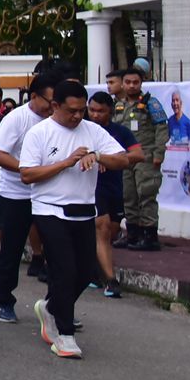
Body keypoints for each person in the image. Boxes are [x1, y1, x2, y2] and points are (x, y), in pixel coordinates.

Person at [18, 81, 128, 358]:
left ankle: (52, 306)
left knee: (87, 271)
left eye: (82, 110)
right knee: (64, 269)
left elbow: (124, 159)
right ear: (55, 105)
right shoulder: (39, 133)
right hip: (49, 208)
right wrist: (65, 163)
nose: (78, 116)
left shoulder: (92, 131)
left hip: (84, 209)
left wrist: (98, 154)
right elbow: (27, 175)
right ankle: (64, 335)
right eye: (72, 111)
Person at [0, 73, 55, 322]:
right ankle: (4, 300)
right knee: (12, 248)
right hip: (15, 194)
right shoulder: (17, 119)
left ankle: (56, 306)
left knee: (58, 249)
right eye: (48, 101)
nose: (52, 107)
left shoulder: (58, 120)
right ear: (34, 96)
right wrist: (27, 170)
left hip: (49, 194)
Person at [86, 91, 142, 295]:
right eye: (92, 110)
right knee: (101, 227)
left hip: (115, 187)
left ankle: (94, 269)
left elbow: (138, 154)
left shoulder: (120, 132)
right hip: (93, 188)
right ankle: (111, 280)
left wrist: (109, 159)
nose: (95, 115)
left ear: (110, 110)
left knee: (111, 231)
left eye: (100, 111)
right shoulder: (83, 131)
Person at [114, 67, 168, 252]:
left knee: (146, 195)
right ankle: (133, 234)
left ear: (141, 83)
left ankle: (149, 236)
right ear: (122, 83)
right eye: (127, 82)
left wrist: (159, 154)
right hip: (125, 158)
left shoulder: (150, 103)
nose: (131, 86)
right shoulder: (119, 105)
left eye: (135, 82)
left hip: (146, 156)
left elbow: (162, 129)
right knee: (128, 196)